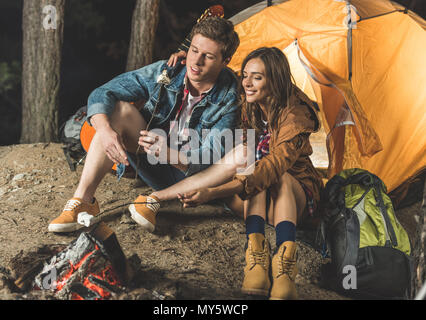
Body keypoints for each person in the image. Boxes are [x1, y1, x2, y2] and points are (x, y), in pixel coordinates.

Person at [137, 47, 323, 300]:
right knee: (248, 161)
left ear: (275, 80)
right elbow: (221, 73)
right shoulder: (251, 101)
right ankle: (256, 258)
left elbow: (273, 166)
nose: (247, 82)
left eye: (257, 77)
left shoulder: (296, 115)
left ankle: (284, 268)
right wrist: (185, 60)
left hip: (296, 196)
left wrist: (212, 191)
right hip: (261, 194)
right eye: (246, 75)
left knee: (273, 174)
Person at [48, 17, 240, 233]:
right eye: (194, 50)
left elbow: (210, 158)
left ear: (225, 61)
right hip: (150, 159)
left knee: (236, 155)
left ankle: (155, 199)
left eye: (209, 56)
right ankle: (83, 201)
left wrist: (171, 155)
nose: (196, 62)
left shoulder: (230, 99)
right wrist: (105, 131)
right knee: (120, 111)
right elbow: (104, 93)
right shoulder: (168, 71)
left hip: (188, 177)